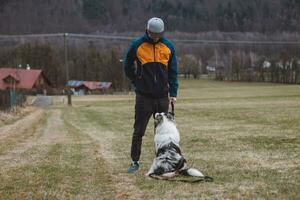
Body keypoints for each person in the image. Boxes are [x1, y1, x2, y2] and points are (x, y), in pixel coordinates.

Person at [124, 17, 179, 173]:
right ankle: (135, 161)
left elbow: (173, 72)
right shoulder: (137, 45)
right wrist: (136, 80)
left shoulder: (168, 47)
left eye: (158, 34)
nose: (155, 37)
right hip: (144, 97)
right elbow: (127, 66)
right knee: (139, 130)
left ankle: (162, 161)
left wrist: (173, 92)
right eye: (153, 34)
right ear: (147, 30)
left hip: (162, 97)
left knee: (162, 132)